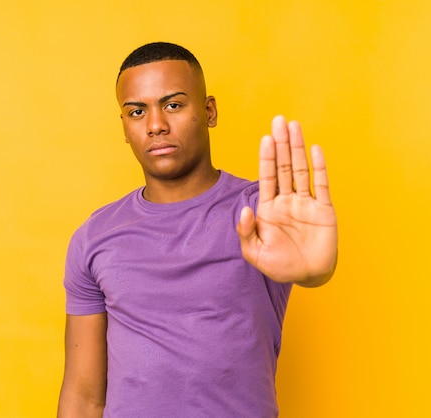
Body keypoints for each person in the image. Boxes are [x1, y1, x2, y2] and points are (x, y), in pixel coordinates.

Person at [57, 42, 338, 418]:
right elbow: (83, 395)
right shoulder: (94, 237)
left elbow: (311, 268)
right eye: (137, 111)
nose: (155, 125)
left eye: (173, 104)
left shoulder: (262, 211)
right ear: (124, 127)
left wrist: (316, 270)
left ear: (209, 111)